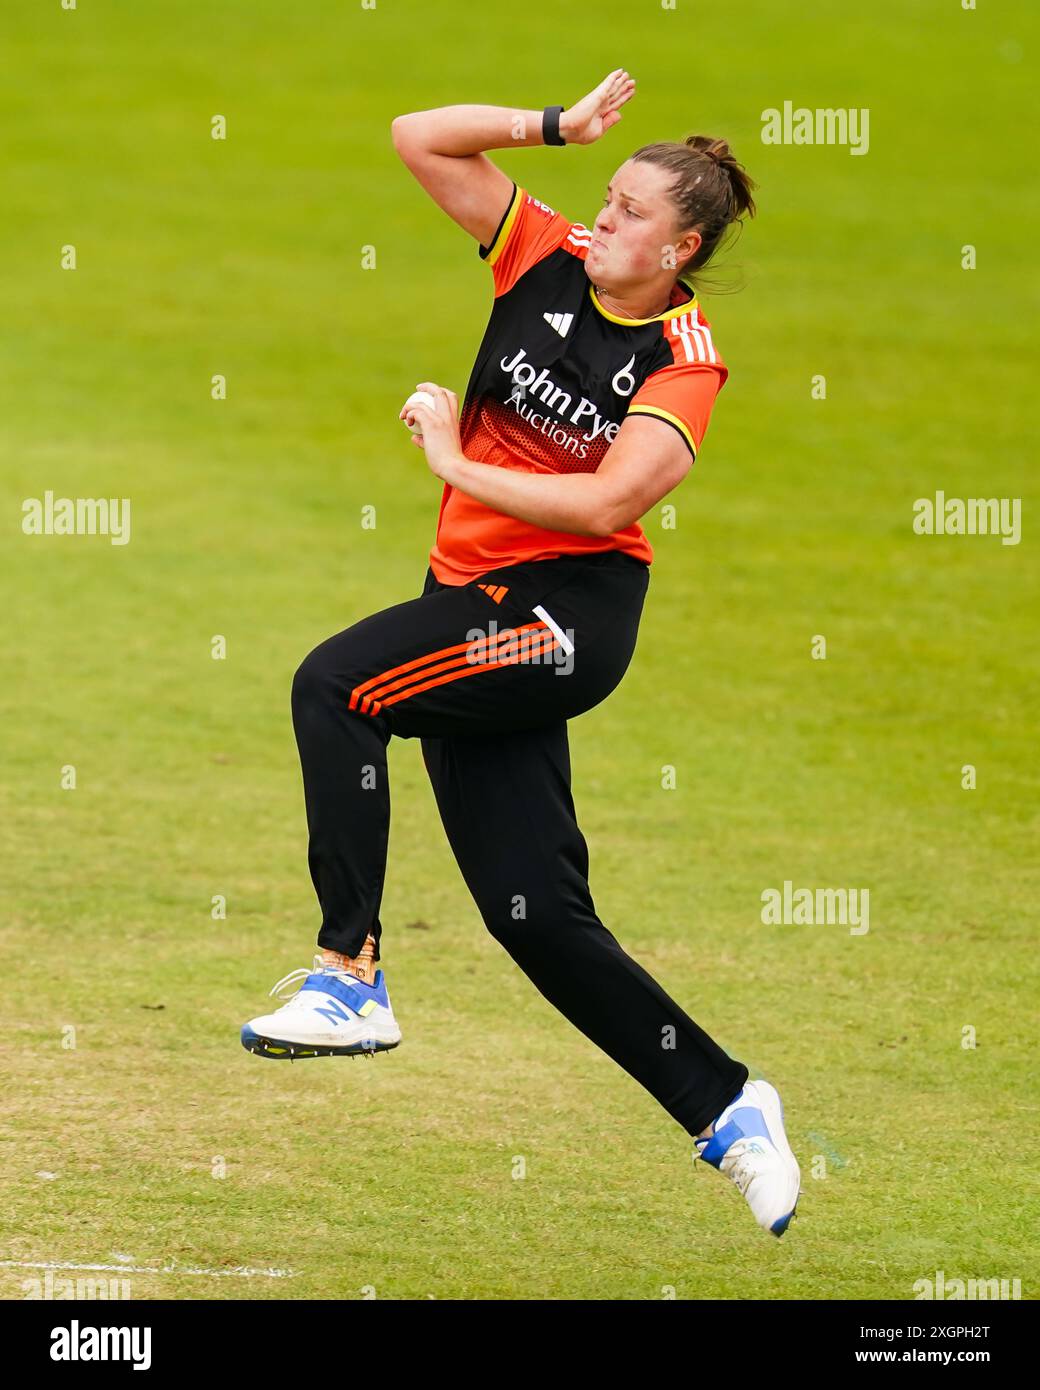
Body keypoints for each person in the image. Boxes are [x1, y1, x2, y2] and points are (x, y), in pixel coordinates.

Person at [241, 70, 800, 1236]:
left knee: (336, 686)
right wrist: (551, 125)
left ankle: (349, 975)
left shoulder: (682, 359)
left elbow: (603, 507)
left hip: (561, 618)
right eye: (604, 193)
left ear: (681, 245)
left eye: (632, 212)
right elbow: (415, 135)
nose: (602, 217)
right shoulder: (542, 256)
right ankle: (728, 1104)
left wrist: (450, 463)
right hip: (473, 602)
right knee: (532, 912)